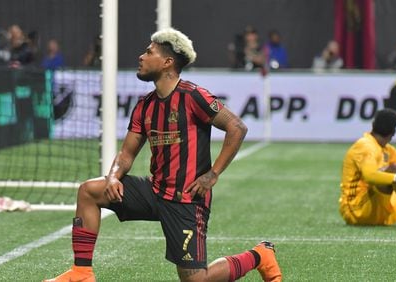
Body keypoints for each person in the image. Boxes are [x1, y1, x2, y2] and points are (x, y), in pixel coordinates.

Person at [44, 28, 282, 282]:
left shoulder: (193, 96)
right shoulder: (145, 105)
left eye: (149, 52)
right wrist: (114, 177)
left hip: (187, 199)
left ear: (167, 62)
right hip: (154, 192)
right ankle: (81, 273)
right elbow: (126, 153)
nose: (141, 57)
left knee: (196, 280)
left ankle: (260, 256)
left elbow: (237, 127)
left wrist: (213, 174)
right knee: (89, 191)